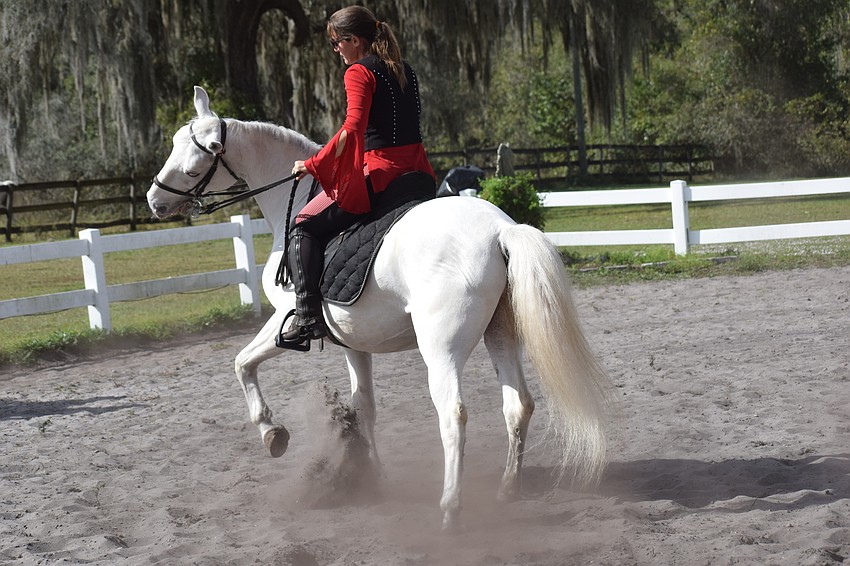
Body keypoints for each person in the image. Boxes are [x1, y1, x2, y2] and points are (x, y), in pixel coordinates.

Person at [281, 5, 436, 345]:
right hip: (417, 170)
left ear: (354, 40)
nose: (335, 50)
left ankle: (307, 319)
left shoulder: (358, 72)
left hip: (382, 172)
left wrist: (313, 164)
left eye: (337, 43)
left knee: (303, 224)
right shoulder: (404, 69)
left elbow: (352, 130)